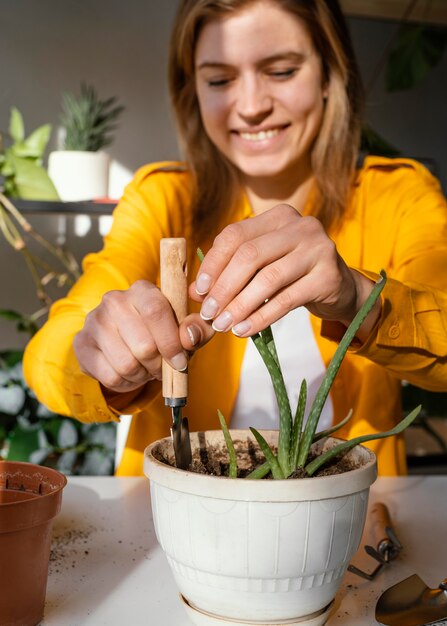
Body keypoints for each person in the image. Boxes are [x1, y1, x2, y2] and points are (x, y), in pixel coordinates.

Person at [24, 0, 447, 477]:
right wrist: (103, 354)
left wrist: (358, 297)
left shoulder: (397, 193)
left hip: (348, 525)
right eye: (219, 80)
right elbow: (49, 356)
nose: (251, 106)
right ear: (193, 91)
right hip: (179, 523)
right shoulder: (165, 197)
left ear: (332, 73)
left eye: (282, 71)